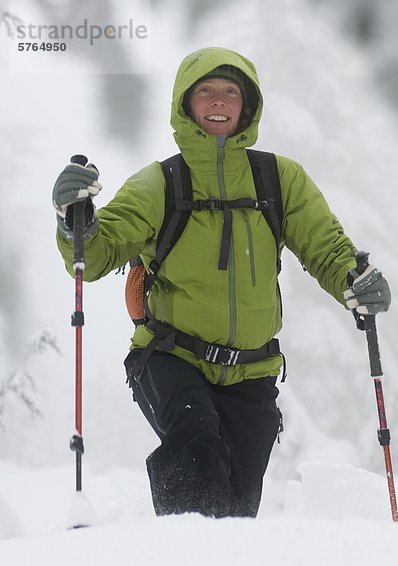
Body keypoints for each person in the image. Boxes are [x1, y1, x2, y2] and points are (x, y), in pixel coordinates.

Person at [53, 47, 391, 518]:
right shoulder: (161, 183)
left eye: (231, 91)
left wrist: (355, 281)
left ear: (246, 106)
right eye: (206, 90)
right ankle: (186, 556)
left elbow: (326, 249)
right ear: (186, 104)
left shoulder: (278, 179)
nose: (218, 100)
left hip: (252, 372)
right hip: (170, 357)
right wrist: (76, 223)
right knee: (195, 440)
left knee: (235, 504)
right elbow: (97, 250)